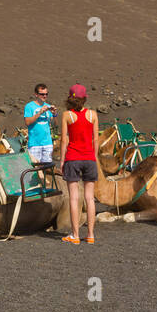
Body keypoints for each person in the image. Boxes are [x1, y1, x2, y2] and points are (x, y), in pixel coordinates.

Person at [59, 84, 99, 245]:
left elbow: (64, 140)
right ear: (84, 98)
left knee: (74, 198)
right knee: (90, 198)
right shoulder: (93, 114)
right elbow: (96, 139)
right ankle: (90, 235)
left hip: (73, 158)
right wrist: (93, 157)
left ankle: (75, 235)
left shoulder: (67, 115)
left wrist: (62, 160)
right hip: (89, 159)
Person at [24, 82, 56, 165]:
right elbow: (27, 122)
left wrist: (54, 114)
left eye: (46, 94)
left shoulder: (48, 106)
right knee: (35, 169)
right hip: (35, 144)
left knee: (47, 168)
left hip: (48, 143)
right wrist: (40, 112)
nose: (45, 96)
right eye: (42, 94)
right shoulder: (29, 106)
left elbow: (53, 124)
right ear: (36, 94)